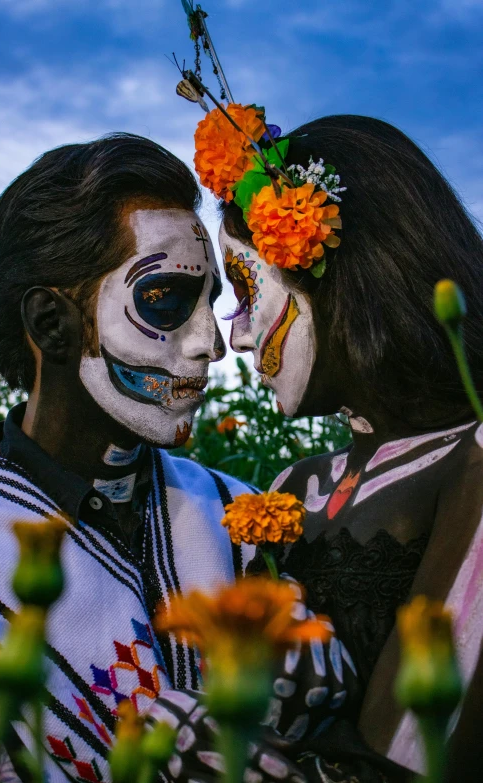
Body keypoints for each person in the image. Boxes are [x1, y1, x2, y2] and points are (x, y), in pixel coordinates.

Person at [0, 133, 257, 782]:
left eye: (209, 300)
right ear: (51, 323)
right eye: (165, 299)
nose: (211, 343)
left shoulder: (241, 520)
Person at [216, 114, 483, 780]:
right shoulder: (291, 485)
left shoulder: (473, 460)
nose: (237, 337)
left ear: (334, 272)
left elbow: (415, 751)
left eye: (248, 288)